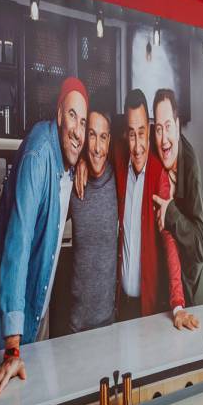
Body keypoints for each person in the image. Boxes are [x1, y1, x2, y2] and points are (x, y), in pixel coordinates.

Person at [0, 78, 88, 397]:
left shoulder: (65, 160)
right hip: (5, 332)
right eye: (72, 116)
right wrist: (12, 349)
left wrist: (80, 161)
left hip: (34, 318)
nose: (78, 130)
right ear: (59, 115)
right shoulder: (38, 155)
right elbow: (19, 242)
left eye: (83, 122)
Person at [113, 89, 197, 329]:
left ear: (149, 131)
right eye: (131, 134)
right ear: (125, 134)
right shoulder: (119, 160)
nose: (137, 145)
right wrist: (82, 164)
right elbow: (96, 149)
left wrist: (178, 305)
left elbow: (170, 241)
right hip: (119, 306)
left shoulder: (159, 174)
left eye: (141, 133)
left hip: (147, 309)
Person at [150, 88, 203, 321]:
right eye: (158, 129)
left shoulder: (190, 166)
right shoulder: (157, 151)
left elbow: (201, 247)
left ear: (177, 125)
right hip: (169, 296)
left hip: (194, 294)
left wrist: (170, 212)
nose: (164, 138)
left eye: (168, 127)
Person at [65, 109, 118, 333]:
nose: (97, 147)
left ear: (109, 141)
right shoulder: (73, 182)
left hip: (110, 322)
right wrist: (79, 162)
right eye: (92, 135)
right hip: (74, 324)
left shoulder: (119, 181)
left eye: (103, 137)